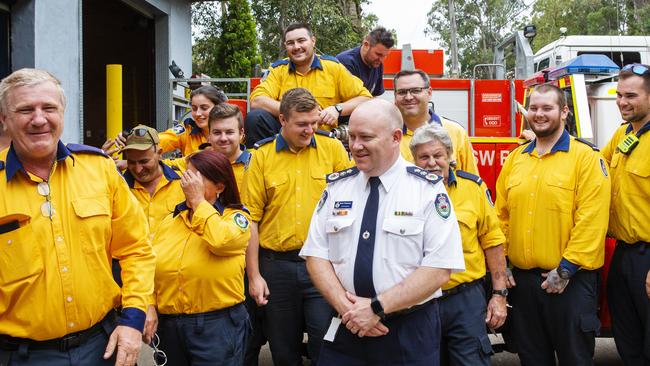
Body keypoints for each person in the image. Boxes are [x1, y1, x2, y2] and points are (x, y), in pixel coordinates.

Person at [0, 68, 155, 366]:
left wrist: (133, 318)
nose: (39, 118)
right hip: (23, 356)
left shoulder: (99, 169)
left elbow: (136, 248)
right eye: (24, 109)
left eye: (48, 108)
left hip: (104, 346)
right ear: (5, 119)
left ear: (62, 112)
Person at [300, 99, 465, 365]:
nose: (355, 146)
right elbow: (316, 255)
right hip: (347, 325)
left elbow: (439, 267)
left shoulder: (426, 189)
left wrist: (376, 308)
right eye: (351, 136)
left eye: (366, 137)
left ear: (395, 137)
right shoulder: (337, 187)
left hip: (408, 330)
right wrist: (349, 310)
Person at [495, 84, 611, 365]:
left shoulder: (586, 158)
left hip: (570, 283)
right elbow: (501, 217)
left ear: (564, 112)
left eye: (547, 108)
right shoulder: (515, 159)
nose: (539, 114)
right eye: (533, 108)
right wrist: (504, 263)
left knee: (575, 359)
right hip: (523, 285)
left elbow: (592, 220)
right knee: (532, 358)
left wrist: (566, 270)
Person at [244, 88, 352, 365]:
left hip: (323, 266)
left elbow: (351, 208)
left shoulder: (333, 150)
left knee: (325, 343)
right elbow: (251, 220)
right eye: (302, 124)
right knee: (283, 349)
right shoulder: (262, 157)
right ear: (282, 120)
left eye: (314, 123)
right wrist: (255, 276)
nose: (310, 130)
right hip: (276, 267)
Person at [410, 124, 508, 365]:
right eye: (424, 157)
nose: (432, 162)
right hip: (418, 300)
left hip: (465, 299)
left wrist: (499, 295)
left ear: (450, 156)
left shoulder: (473, 189)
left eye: (438, 155)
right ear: (413, 160)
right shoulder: (402, 193)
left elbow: (493, 243)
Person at [152, 150, 251, 366]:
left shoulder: (236, 218)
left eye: (196, 178)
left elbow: (220, 241)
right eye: (186, 175)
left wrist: (198, 201)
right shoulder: (169, 222)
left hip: (216, 326)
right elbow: (150, 266)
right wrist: (149, 306)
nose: (188, 183)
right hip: (171, 326)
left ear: (220, 186)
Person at [244, 23, 372, 147]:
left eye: (301, 41)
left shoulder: (333, 68)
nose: (296, 47)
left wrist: (337, 109)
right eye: (290, 43)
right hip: (284, 140)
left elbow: (366, 98)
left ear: (313, 41)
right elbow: (257, 100)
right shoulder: (278, 70)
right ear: (285, 46)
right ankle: (261, 164)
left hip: (322, 139)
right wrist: (295, 112)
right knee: (255, 118)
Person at [602, 63, 650, 365]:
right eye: (618, 95)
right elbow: (596, 166)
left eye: (631, 95)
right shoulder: (623, 135)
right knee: (628, 342)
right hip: (622, 255)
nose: (622, 102)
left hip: (647, 257)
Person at [393, 69, 479, 174]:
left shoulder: (456, 132)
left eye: (416, 90)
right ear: (395, 96)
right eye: (402, 92)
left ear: (429, 93)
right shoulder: (388, 135)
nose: (408, 97)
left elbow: (471, 183)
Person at [158, 85, 227, 156]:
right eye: (194, 108)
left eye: (204, 108)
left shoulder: (232, 130)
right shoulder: (187, 129)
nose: (198, 113)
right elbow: (159, 141)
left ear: (219, 108)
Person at [336, 27, 394, 97]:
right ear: (366, 45)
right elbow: (350, 101)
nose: (381, 60)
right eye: (378, 54)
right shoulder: (346, 62)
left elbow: (375, 95)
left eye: (385, 56)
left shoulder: (377, 63)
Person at [206, 103, 252, 192]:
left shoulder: (256, 165)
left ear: (241, 133)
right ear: (209, 135)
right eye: (217, 132)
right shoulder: (198, 162)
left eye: (229, 132)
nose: (223, 138)